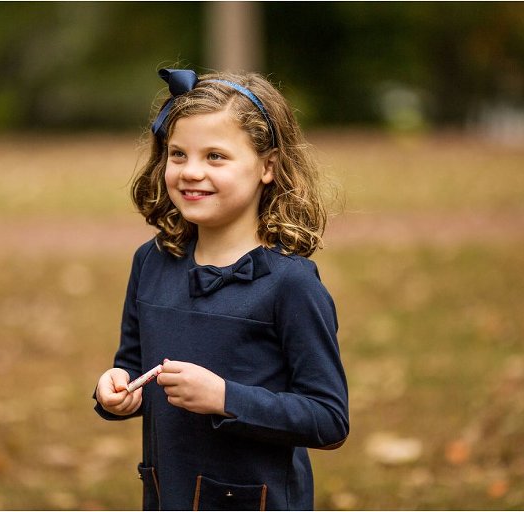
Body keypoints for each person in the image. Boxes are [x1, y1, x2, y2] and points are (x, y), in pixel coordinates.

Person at [93, 68, 349, 511]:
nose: (191, 172)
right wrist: (116, 391)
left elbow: (328, 418)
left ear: (268, 166)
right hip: (166, 494)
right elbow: (133, 367)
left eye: (215, 156)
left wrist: (225, 399)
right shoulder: (151, 263)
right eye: (178, 154)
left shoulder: (290, 285)